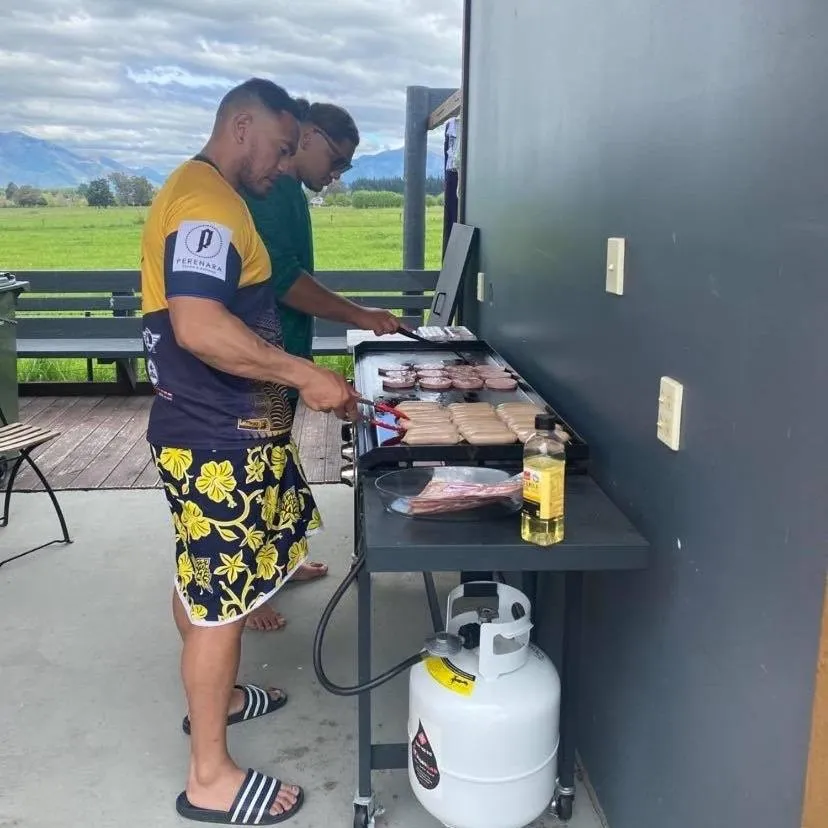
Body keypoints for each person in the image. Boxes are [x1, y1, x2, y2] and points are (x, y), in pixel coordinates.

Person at [140, 77, 359, 825]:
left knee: (202, 580)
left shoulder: (212, 196)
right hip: (215, 437)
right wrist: (305, 374)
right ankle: (210, 777)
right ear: (241, 126)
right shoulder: (207, 204)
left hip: (219, 430)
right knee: (218, 608)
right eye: (280, 146)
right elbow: (199, 325)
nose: (285, 163)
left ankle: (224, 698)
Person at [242, 99, 402, 632]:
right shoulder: (271, 189)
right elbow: (282, 278)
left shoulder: (290, 191)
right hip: (259, 360)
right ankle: (251, 591)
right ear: (307, 135)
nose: (336, 175)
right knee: (253, 476)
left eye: (345, 168)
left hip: (284, 353)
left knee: (275, 465)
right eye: (336, 161)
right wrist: (359, 314)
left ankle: (280, 566)